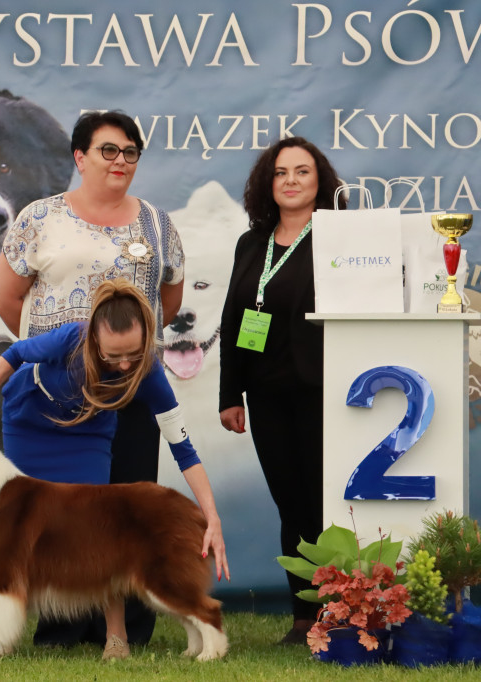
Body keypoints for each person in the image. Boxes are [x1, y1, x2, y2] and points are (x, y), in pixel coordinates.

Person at [0, 110, 184, 647]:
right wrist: (62, 357)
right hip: (57, 397)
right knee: (62, 511)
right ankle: (64, 624)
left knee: (126, 507)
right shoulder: (38, 218)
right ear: (80, 157)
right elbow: (5, 297)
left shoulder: (158, 224)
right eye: (108, 150)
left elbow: (167, 302)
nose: (121, 161)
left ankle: (128, 628)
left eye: (131, 152)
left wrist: (120, 357)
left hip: (131, 390)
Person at [0, 279, 229, 661]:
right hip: (30, 418)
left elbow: (184, 450)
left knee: (99, 533)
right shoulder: (70, 338)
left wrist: (212, 517)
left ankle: (115, 636)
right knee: (19, 526)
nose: (123, 365)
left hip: (89, 427)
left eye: (131, 355)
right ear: (94, 341)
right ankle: (13, 628)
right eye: (112, 356)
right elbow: (16, 353)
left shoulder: (149, 370)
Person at [218, 136, 346, 645]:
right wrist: (230, 393)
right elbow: (232, 320)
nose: (291, 180)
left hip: (326, 391)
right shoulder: (252, 243)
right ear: (266, 183)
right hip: (265, 396)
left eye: (302, 171)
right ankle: (302, 616)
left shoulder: (342, 238)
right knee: (289, 506)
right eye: (280, 172)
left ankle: (340, 610)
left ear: (321, 181)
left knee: (322, 505)